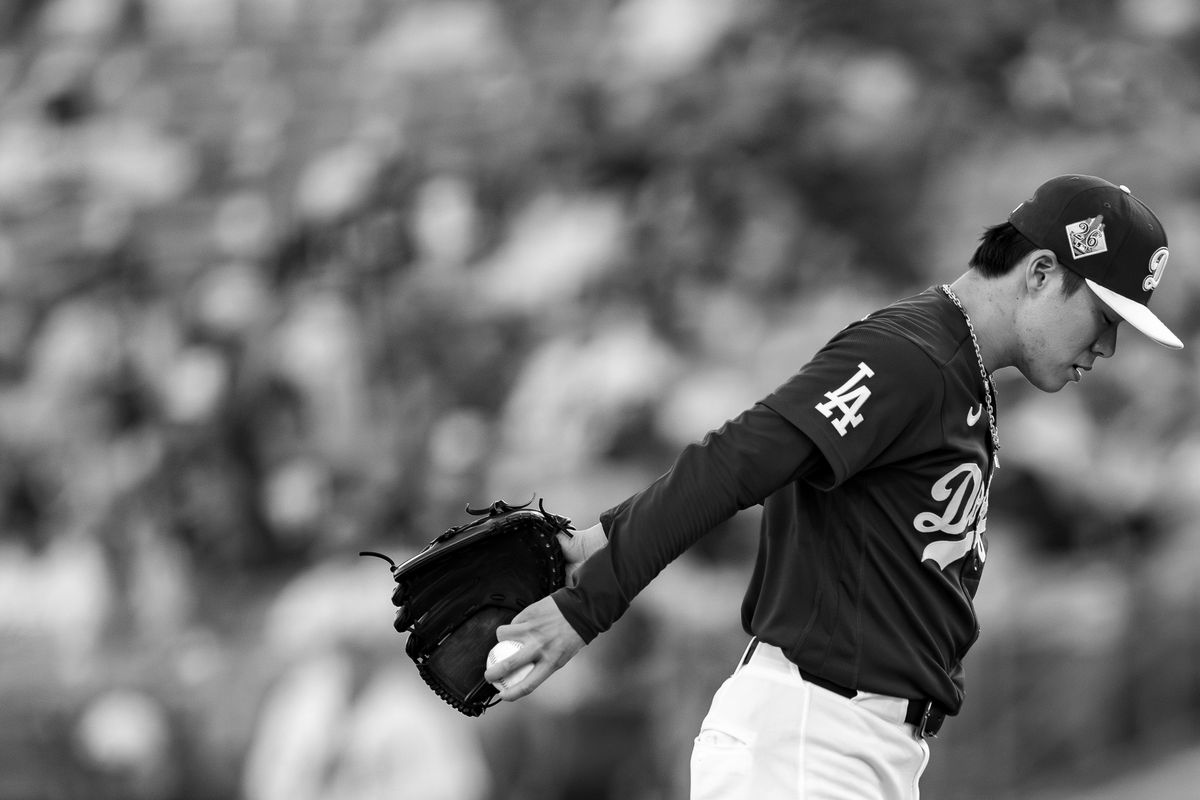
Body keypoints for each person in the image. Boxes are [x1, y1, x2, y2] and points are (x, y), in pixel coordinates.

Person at [482, 174, 1183, 799]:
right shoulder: (911, 354)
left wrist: (603, 535)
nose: (1108, 346)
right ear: (1040, 273)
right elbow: (739, 459)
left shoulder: (957, 370)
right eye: (1105, 318)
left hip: (852, 745)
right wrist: (587, 605)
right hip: (807, 739)